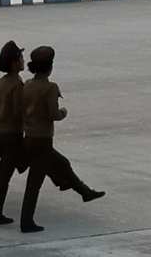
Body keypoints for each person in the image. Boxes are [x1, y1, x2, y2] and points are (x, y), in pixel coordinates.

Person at [19, 46, 105, 234]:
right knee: (35, 183)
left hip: (29, 138)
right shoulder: (50, 88)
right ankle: (26, 221)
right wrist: (63, 113)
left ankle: (84, 192)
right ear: (49, 67)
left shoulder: (27, 84)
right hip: (42, 140)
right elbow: (53, 114)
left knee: (62, 164)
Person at [0, 40, 26, 225]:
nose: (23, 60)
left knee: (4, 173)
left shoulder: (2, 81)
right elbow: (20, 110)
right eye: (20, 57)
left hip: (3, 130)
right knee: (4, 175)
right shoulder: (16, 84)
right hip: (13, 132)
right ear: (14, 63)